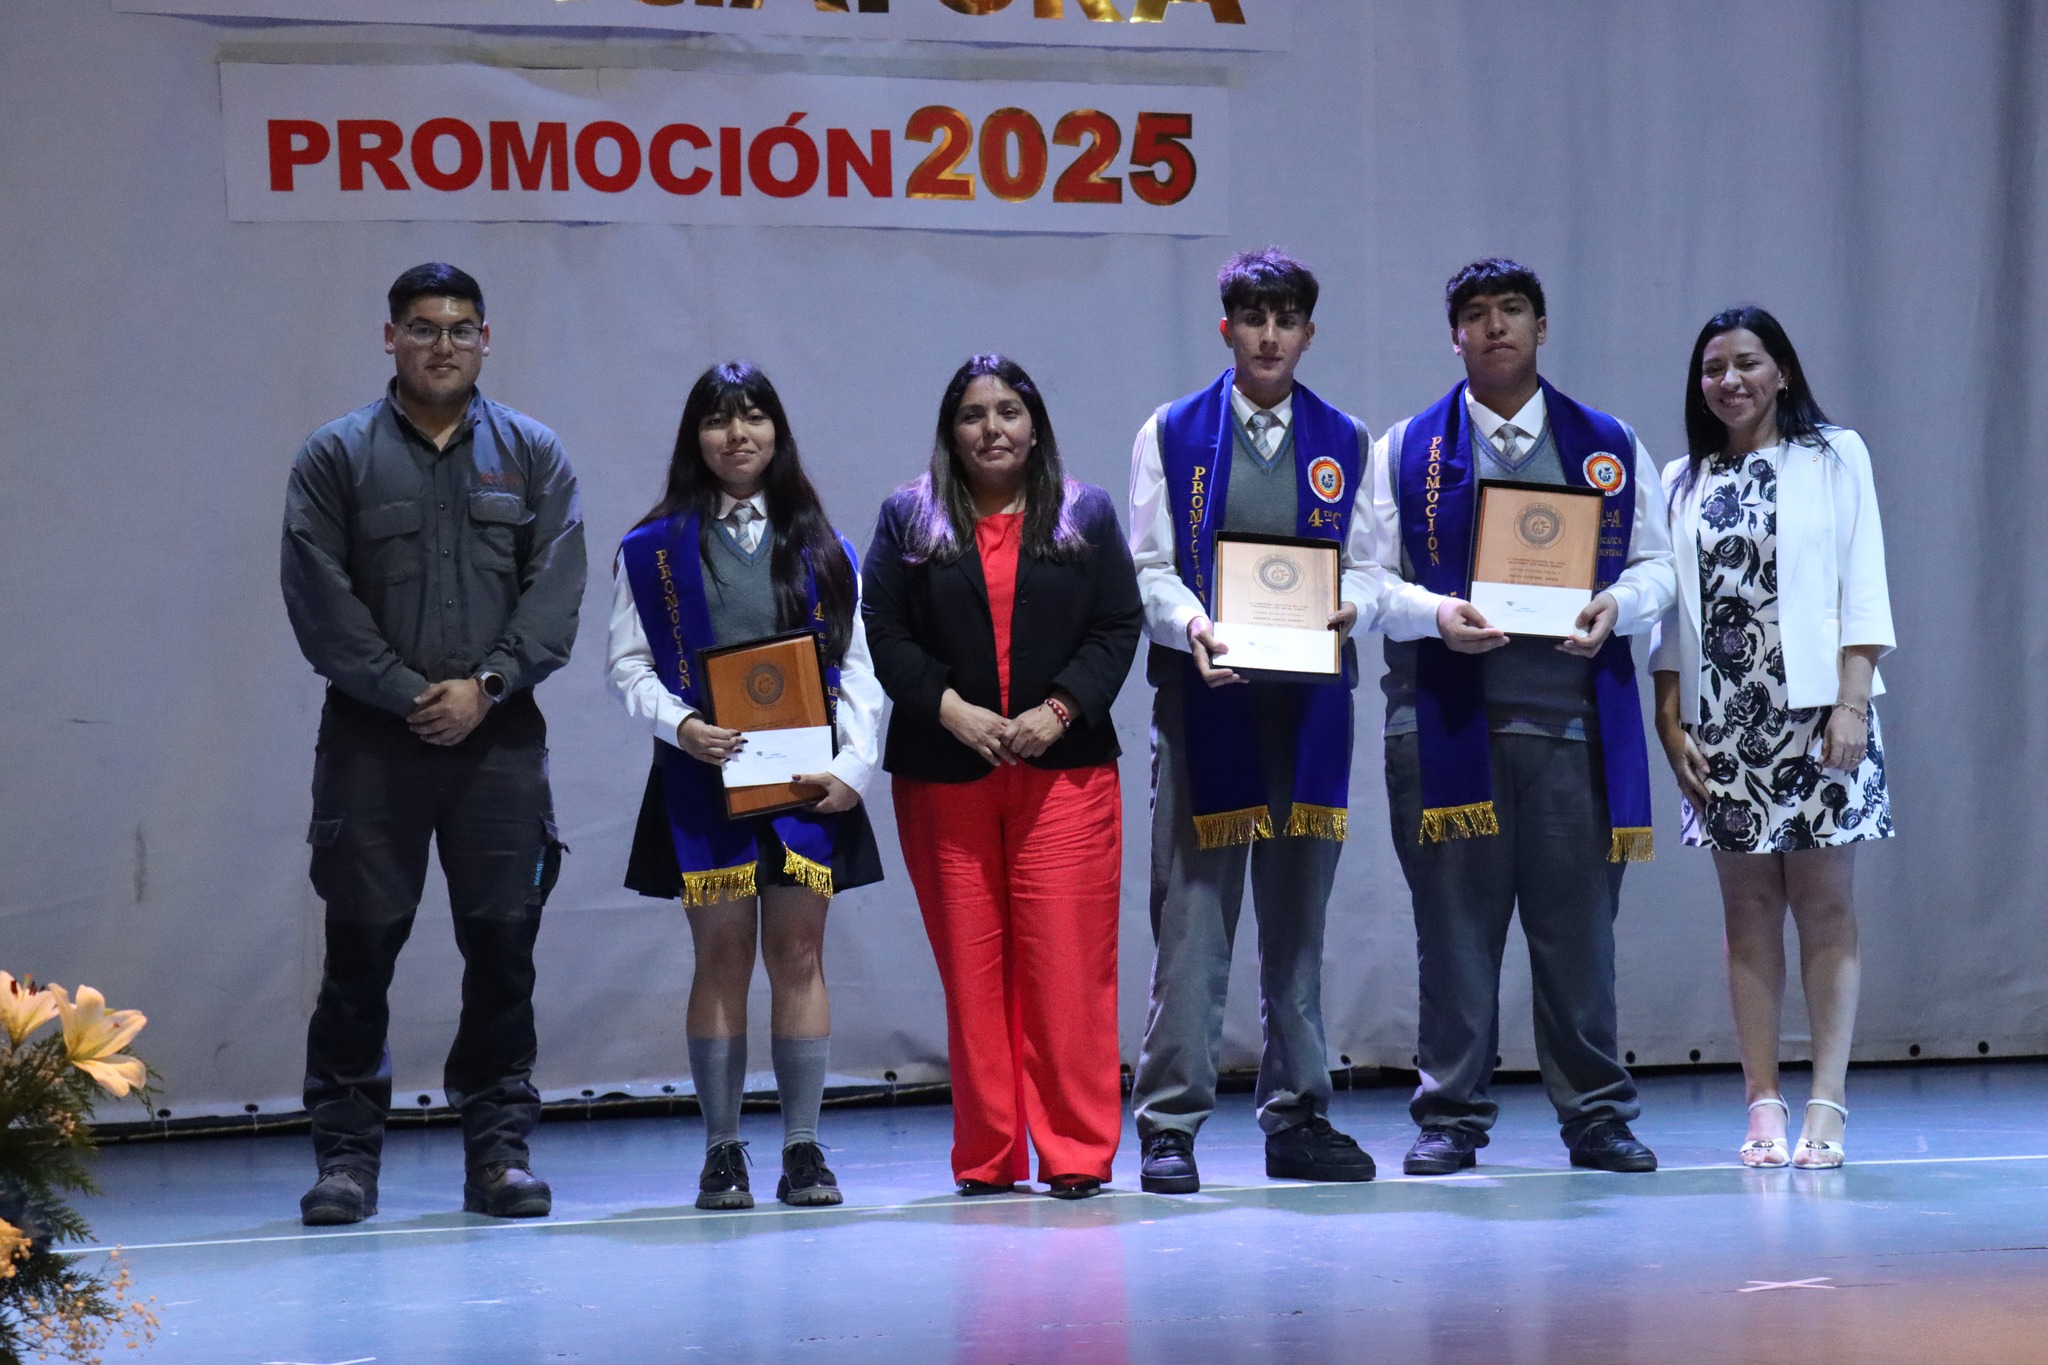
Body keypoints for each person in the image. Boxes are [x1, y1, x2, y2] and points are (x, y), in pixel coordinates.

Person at [282, 263, 585, 1225]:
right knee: (361, 945)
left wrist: (486, 687)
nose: (441, 344)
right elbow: (318, 598)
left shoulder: (534, 454)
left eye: (459, 328)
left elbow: (556, 592)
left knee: (504, 945)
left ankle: (498, 1152)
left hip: (499, 744)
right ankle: (344, 1159)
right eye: (421, 328)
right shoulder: (336, 455)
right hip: (375, 744)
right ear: (390, 338)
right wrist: (416, 693)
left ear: (485, 338)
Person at [1362, 258, 1676, 1176]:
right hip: (1443, 726)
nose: (1494, 326)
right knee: (1453, 938)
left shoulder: (1609, 441)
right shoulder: (1405, 449)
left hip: (1576, 726)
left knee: (1579, 937)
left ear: (1542, 328)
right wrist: (1433, 615)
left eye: (1511, 311)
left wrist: (1618, 604)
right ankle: (1450, 1117)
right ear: (1453, 335)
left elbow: (1660, 567)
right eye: (1474, 314)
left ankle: (1598, 1117)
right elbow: (1365, 580)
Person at [1127, 248, 1378, 1194]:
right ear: (1225, 327)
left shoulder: (1347, 437)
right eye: (1252, 316)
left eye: (1287, 319)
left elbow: (1368, 564)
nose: (1269, 334)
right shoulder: (1174, 430)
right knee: (1192, 921)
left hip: (1310, 707)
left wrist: (1352, 600)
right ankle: (1171, 1122)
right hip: (1208, 701)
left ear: (1309, 334)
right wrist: (1192, 621)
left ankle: (1299, 1116)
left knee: (1299, 925)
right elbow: (1150, 566)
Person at [863, 355, 1141, 1199]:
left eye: (1010, 411)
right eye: (975, 414)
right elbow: (884, 631)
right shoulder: (908, 517)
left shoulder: (1083, 513)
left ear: (1036, 424)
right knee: (974, 973)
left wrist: (1058, 712)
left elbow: (1117, 623)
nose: (993, 429)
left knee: (1066, 969)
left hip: (1066, 777)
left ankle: (1076, 1152)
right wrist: (953, 710)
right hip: (947, 775)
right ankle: (988, 1154)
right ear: (951, 431)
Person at [608, 362, 885, 1210]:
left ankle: (803, 1147)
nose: (739, 435)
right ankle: (722, 1151)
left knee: (799, 955)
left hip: (805, 786)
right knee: (721, 958)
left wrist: (851, 768)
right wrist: (680, 726)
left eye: (754, 417)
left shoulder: (823, 544)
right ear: (696, 437)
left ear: (777, 432)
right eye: (720, 420)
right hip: (704, 781)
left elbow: (862, 670)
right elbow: (627, 666)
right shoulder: (652, 550)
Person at [1649, 307, 1894, 1170]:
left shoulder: (1834, 454)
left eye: (1748, 362)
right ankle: (1762, 1103)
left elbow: (1864, 582)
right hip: (1725, 722)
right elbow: (1670, 617)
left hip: (1824, 713)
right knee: (1746, 913)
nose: (1730, 380)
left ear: (1782, 371)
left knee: (1824, 908)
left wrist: (1854, 703)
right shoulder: (1681, 477)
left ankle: (1826, 1103)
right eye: (1714, 366)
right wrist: (1669, 719)